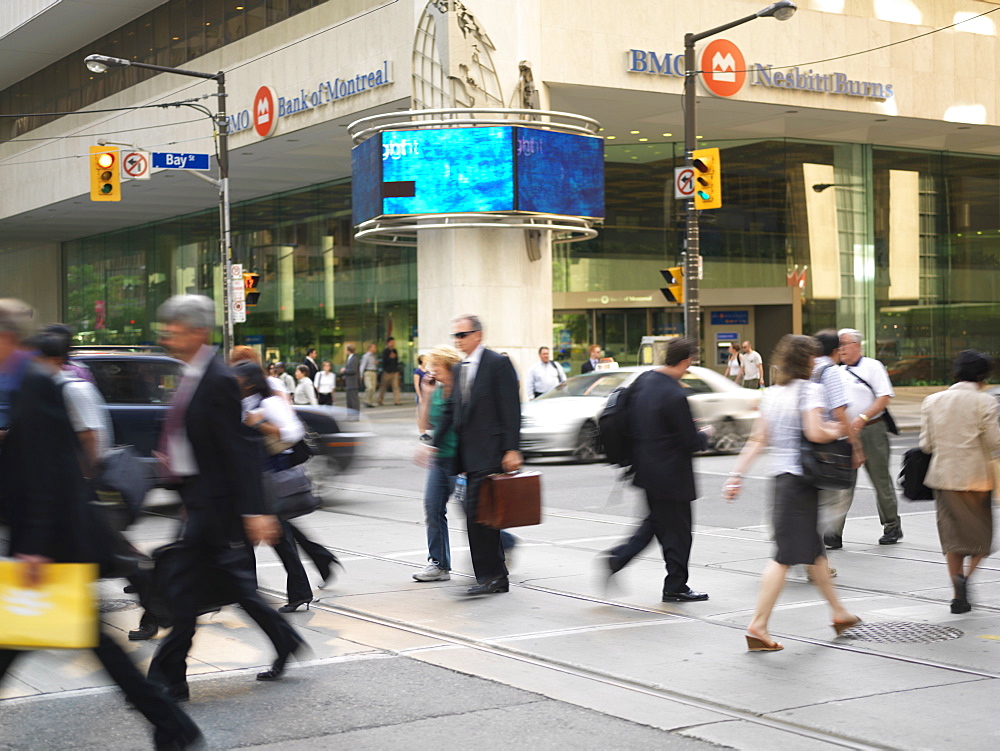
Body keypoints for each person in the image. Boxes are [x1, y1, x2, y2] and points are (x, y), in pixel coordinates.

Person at [0, 299, 203, 751]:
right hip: (49, 541)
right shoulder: (22, 381)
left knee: (54, 641)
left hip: (51, 544)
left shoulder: (34, 382)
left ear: (5, 337)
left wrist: (32, 546)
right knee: (88, 645)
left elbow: (52, 471)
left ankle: (174, 723)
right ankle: (173, 724)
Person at [147, 295, 304, 700]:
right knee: (230, 587)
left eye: (175, 330)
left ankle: (167, 675)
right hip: (198, 499)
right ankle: (282, 639)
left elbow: (239, 449)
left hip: (216, 506)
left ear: (198, 332)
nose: (167, 337)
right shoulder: (192, 374)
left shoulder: (216, 378)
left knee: (184, 591)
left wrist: (255, 510)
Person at [722, 334, 860, 652]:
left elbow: (758, 439)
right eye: (813, 358)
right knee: (784, 557)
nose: (817, 363)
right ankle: (757, 625)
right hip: (801, 482)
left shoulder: (770, 394)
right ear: (807, 361)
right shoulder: (810, 390)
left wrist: (736, 475)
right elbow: (814, 431)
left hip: (783, 482)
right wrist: (838, 430)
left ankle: (839, 613)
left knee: (814, 552)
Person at [601, 338, 711, 603]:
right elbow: (689, 441)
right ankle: (675, 585)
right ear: (685, 361)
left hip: (646, 470)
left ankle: (618, 559)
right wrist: (706, 434)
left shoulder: (644, 381)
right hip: (672, 475)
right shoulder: (674, 394)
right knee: (679, 533)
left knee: (654, 525)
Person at [233, 360, 340, 611]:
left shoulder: (268, 402)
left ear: (248, 381)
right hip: (249, 480)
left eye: (236, 377)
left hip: (269, 481)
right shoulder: (240, 403)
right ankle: (249, 592)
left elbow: (293, 433)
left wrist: (259, 423)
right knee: (251, 539)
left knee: (277, 540)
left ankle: (294, 591)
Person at [431, 314, 521, 595]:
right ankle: (494, 576)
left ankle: (491, 577)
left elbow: (510, 409)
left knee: (479, 517)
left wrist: (512, 448)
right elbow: (451, 409)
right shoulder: (459, 370)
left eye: (462, 335)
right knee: (479, 518)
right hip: (467, 455)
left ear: (477, 335)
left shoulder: (498, 364)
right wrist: (433, 443)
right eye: (455, 336)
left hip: (491, 453)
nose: (458, 341)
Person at [919, 350, 1000, 614]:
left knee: (953, 539)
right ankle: (966, 577)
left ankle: (958, 598)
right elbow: (994, 443)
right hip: (977, 480)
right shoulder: (985, 403)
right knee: (981, 540)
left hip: (943, 478)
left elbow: (926, 445)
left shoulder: (932, 401)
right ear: (981, 376)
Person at [825, 328, 903, 546]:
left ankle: (892, 526)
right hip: (846, 433)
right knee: (843, 485)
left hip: (872, 430)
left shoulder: (872, 366)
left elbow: (884, 397)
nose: (841, 349)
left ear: (857, 345)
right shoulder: (836, 371)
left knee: (880, 481)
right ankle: (834, 533)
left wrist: (862, 417)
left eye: (845, 344)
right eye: (838, 345)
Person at [412, 345, 463, 582]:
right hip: (440, 460)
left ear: (449, 367)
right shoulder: (439, 391)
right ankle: (439, 564)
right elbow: (425, 425)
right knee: (433, 508)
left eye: (436, 366)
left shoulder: (463, 392)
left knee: (471, 513)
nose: (431, 371)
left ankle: (506, 541)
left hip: (461, 461)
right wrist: (427, 394)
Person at [377, 336, 402, 406]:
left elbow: (397, 361)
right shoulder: (385, 351)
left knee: (396, 386)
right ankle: (380, 399)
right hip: (387, 372)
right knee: (383, 387)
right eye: (391, 343)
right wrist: (390, 358)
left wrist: (395, 358)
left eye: (393, 343)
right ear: (388, 343)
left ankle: (397, 401)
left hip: (395, 371)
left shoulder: (395, 351)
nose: (393, 344)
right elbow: (384, 362)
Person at [341, 342, 361, 415]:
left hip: (352, 382)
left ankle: (354, 415)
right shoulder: (351, 358)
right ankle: (350, 415)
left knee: (353, 400)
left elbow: (353, 370)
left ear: (348, 350)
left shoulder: (354, 358)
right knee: (349, 400)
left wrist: (344, 371)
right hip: (349, 382)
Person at [360, 342, 379, 407]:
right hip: (368, 372)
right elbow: (362, 366)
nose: (375, 349)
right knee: (369, 387)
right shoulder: (366, 356)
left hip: (374, 372)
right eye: (374, 347)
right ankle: (366, 400)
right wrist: (361, 375)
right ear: (369, 348)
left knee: (373, 389)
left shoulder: (374, 356)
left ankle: (370, 402)